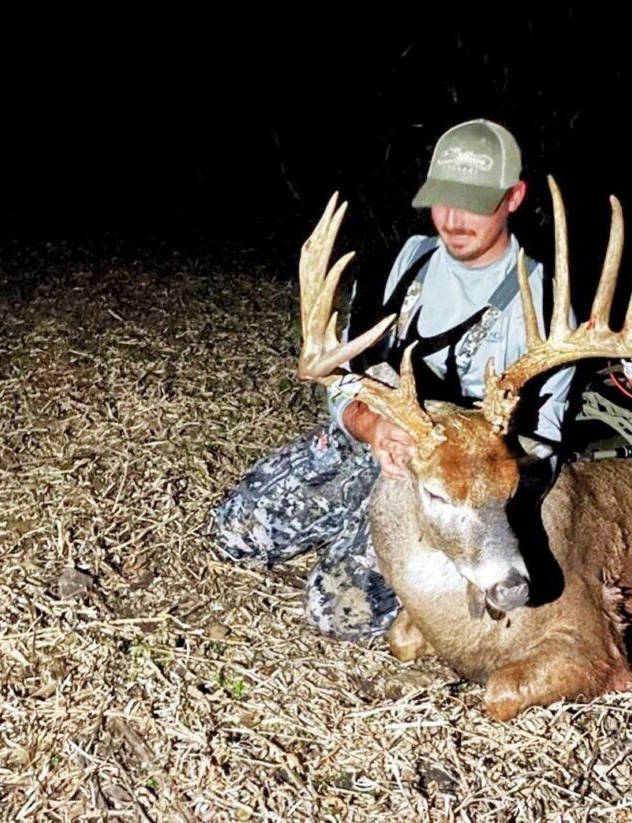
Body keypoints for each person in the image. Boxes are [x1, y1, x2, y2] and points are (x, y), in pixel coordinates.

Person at [208, 119, 574, 640]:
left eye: (473, 201)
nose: (452, 219)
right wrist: (366, 423)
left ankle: (425, 580)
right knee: (235, 534)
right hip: (376, 441)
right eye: (441, 199)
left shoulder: (544, 303)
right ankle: (355, 516)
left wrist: (461, 463)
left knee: (339, 609)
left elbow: (544, 440)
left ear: (514, 197)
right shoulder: (406, 262)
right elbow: (345, 378)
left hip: (454, 487)